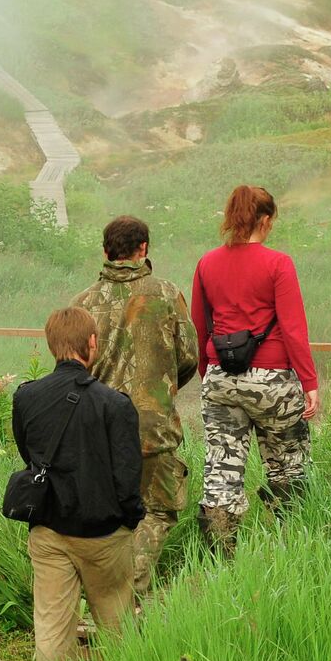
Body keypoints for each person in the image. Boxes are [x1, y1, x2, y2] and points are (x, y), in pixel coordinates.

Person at [11, 306, 144, 661]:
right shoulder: (114, 404)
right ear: (91, 343)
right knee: (118, 626)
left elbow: (30, 455)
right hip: (104, 534)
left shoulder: (26, 398)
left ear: (52, 345)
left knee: (52, 628)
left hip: (49, 531)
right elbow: (128, 476)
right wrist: (128, 520)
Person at [72, 215, 199, 599]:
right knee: (157, 511)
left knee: (103, 518)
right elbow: (189, 356)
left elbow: (70, 369)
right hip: (150, 429)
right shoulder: (165, 293)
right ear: (143, 249)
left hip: (95, 432)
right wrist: (160, 391)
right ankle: (126, 599)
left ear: (105, 250)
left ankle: (93, 602)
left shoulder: (82, 302)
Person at [191, 185, 319, 557]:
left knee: (222, 466)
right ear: (264, 220)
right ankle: (291, 546)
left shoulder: (207, 263)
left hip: (220, 376)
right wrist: (308, 382)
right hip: (272, 379)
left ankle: (219, 556)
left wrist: (208, 371)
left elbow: (200, 326)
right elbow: (294, 328)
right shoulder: (278, 263)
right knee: (287, 464)